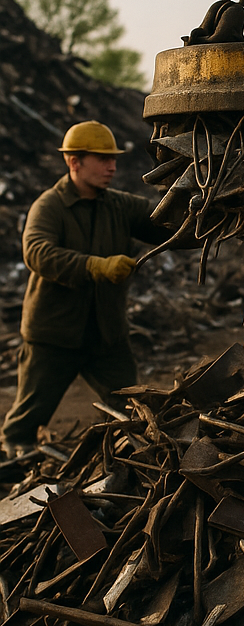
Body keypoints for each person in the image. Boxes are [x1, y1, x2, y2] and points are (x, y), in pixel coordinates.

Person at [2, 121, 172, 456]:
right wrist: (94, 265)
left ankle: (128, 458)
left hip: (106, 334)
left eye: (113, 159)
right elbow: (37, 252)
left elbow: (165, 225)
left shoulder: (121, 206)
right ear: (74, 162)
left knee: (134, 410)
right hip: (55, 334)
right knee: (26, 420)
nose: (112, 166)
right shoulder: (49, 206)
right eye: (102, 159)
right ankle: (14, 460)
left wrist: (206, 212)